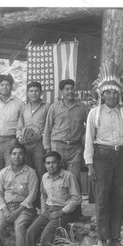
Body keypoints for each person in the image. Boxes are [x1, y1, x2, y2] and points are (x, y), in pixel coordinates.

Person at [84, 60, 123, 246]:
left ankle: (115, 239)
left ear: (119, 94)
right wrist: (90, 164)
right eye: (108, 92)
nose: (112, 96)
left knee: (120, 198)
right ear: (102, 94)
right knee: (103, 198)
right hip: (102, 157)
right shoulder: (94, 114)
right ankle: (101, 239)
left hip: (121, 156)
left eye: (115, 92)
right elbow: (89, 139)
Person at [22, 151, 81, 246]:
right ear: (45, 164)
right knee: (31, 231)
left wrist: (63, 211)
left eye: (54, 162)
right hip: (49, 210)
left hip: (65, 211)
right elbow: (43, 195)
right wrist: (44, 211)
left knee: (47, 232)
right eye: (48, 163)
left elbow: (76, 199)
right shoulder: (44, 177)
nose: (51, 165)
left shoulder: (68, 176)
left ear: (59, 163)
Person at [0, 143, 38, 246]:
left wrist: (18, 211)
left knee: (20, 227)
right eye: (14, 154)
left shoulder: (31, 173)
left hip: (24, 209)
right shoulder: (3, 172)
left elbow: (32, 195)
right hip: (6, 208)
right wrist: (4, 210)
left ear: (24, 156)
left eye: (20, 154)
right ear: (10, 156)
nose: (17, 156)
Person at [43, 79, 89, 207]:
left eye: (72, 88)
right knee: (57, 178)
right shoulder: (54, 107)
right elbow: (47, 129)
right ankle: (57, 208)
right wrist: (48, 149)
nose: (70, 91)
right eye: (67, 89)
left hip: (75, 148)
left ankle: (76, 210)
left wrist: (85, 134)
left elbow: (91, 126)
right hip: (57, 146)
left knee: (74, 178)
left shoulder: (82, 107)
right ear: (62, 92)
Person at [17, 81, 50, 180]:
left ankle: (42, 195)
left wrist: (41, 136)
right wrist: (19, 137)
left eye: (36, 91)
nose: (33, 93)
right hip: (26, 145)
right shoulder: (25, 108)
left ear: (41, 93)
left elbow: (50, 126)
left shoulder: (47, 107)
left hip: (40, 144)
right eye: (31, 91)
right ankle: (30, 194)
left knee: (41, 170)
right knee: (27, 171)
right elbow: (19, 126)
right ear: (27, 93)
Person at [0, 74, 24, 170]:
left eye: (7, 84)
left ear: (11, 87)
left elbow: (22, 123)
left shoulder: (19, 103)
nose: (5, 87)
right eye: (2, 85)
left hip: (11, 141)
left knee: (10, 170)